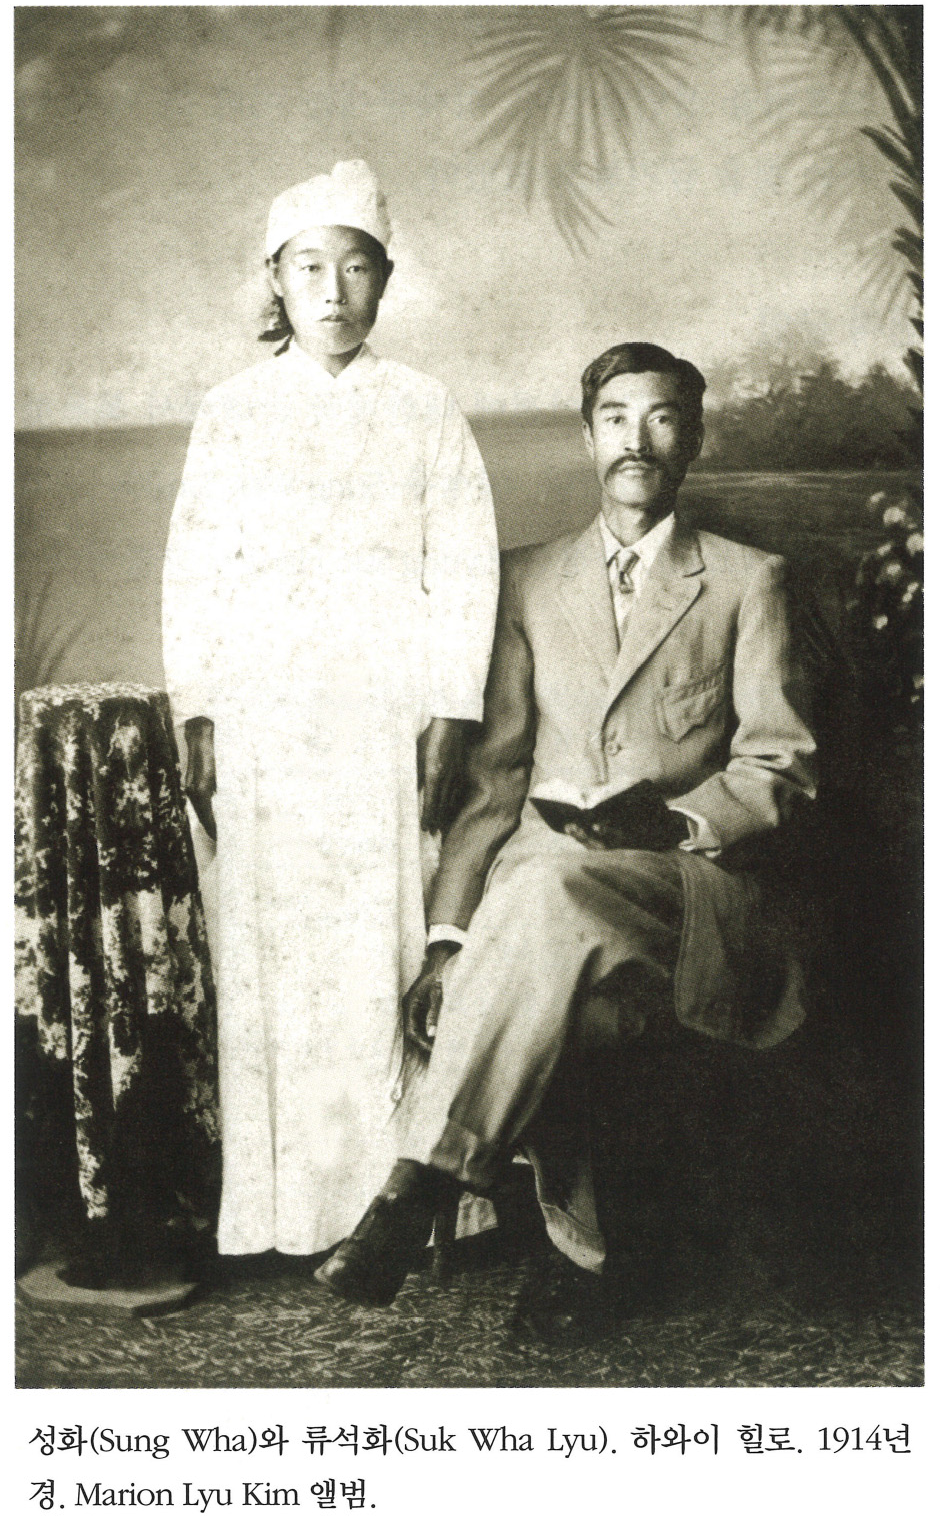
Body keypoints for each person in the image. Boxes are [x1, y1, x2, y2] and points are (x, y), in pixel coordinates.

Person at [315, 341, 818, 1335]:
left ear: (693, 439)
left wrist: (677, 819)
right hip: (550, 903)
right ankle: (585, 1252)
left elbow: (780, 767)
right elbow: (496, 781)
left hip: (687, 892)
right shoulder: (528, 580)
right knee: (553, 935)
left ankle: (414, 1184)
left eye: (662, 417)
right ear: (586, 438)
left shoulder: (748, 580)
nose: (638, 439)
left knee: (544, 894)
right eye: (616, 417)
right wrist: (448, 941)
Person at [162, 160, 499, 1257]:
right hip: (266, 718)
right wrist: (199, 709)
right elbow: (196, 570)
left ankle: (393, 1208)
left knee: (378, 943)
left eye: (356, 267)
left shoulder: (424, 408)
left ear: (385, 280)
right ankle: (282, 1208)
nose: (333, 290)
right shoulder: (232, 412)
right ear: (275, 278)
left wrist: (451, 710)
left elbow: (466, 569)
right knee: (281, 953)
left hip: (383, 716)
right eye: (309, 266)